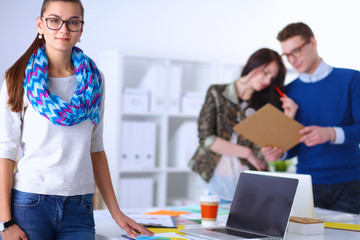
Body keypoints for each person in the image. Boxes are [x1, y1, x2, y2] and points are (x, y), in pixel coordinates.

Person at [0, 0, 153, 239]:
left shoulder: (95, 80)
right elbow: (6, 151)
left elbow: (96, 147)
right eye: (54, 21)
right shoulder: (17, 78)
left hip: (80, 206)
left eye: (73, 22)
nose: (64, 29)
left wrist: (116, 212)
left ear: (81, 29)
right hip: (30, 203)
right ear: (40, 25)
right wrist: (6, 222)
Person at [262, 22, 360, 214]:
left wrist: (330, 133)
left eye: (296, 51)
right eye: (287, 55)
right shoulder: (287, 92)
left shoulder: (352, 80)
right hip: (307, 184)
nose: (292, 59)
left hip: (350, 184)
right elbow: (293, 147)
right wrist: (279, 152)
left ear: (313, 43)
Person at [189, 48, 297, 202]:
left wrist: (289, 116)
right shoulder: (217, 92)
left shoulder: (265, 105)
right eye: (266, 72)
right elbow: (206, 139)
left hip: (250, 183)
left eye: (272, 78)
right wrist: (247, 153)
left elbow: (271, 149)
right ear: (254, 64)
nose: (267, 81)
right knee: (214, 223)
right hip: (215, 180)